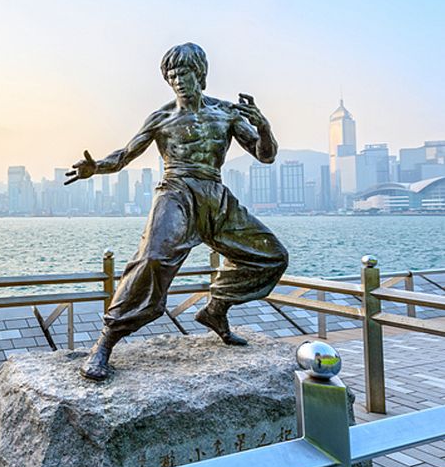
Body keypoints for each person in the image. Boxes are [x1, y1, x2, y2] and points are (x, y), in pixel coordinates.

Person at [64, 43, 288, 381]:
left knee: (272, 256)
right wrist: (95, 168)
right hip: (176, 193)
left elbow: (265, 155)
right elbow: (125, 155)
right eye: (172, 76)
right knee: (152, 260)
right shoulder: (162, 118)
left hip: (215, 195)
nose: (178, 81)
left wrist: (264, 126)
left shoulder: (226, 113)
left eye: (184, 73)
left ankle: (216, 310)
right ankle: (105, 343)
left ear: (200, 75)